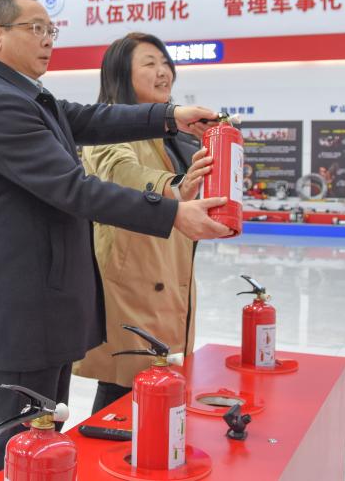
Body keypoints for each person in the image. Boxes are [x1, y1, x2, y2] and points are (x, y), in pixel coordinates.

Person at [0, 0, 232, 479]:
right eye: (35, 29)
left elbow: (91, 117)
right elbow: (74, 189)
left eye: (51, 30)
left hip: (51, 299)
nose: (47, 40)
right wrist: (172, 213)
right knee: (16, 447)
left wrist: (171, 116)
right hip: (25, 304)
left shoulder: (26, 95)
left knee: (46, 441)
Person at [73, 32, 209, 412]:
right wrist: (175, 186)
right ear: (121, 74)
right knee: (123, 386)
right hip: (132, 282)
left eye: (165, 63)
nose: (163, 71)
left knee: (154, 387)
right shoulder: (108, 125)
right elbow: (120, 172)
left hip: (169, 270)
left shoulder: (171, 133)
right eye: (149, 63)